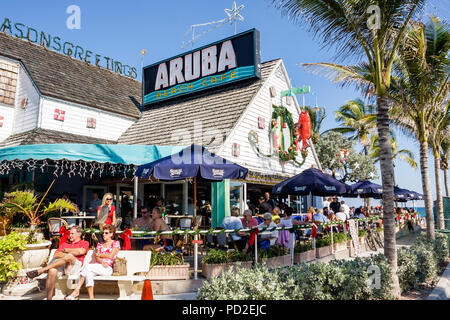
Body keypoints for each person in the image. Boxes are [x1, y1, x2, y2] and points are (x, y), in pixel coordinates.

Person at [26, 225, 89, 300]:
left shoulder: (84, 243)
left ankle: (42, 270)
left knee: (69, 256)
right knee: (52, 270)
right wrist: (70, 254)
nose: (70, 235)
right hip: (63, 265)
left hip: (75, 266)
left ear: (79, 234)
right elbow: (56, 254)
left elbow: (81, 251)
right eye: (70, 233)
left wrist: (66, 250)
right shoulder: (65, 244)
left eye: (72, 233)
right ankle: (49, 298)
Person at [65, 224, 120, 300]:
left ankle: (76, 290)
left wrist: (99, 254)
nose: (104, 234)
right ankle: (91, 298)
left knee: (87, 266)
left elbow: (111, 256)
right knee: (89, 274)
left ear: (111, 234)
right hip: (98, 266)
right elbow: (97, 257)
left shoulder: (115, 243)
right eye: (103, 233)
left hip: (108, 268)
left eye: (106, 233)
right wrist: (101, 260)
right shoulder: (100, 244)